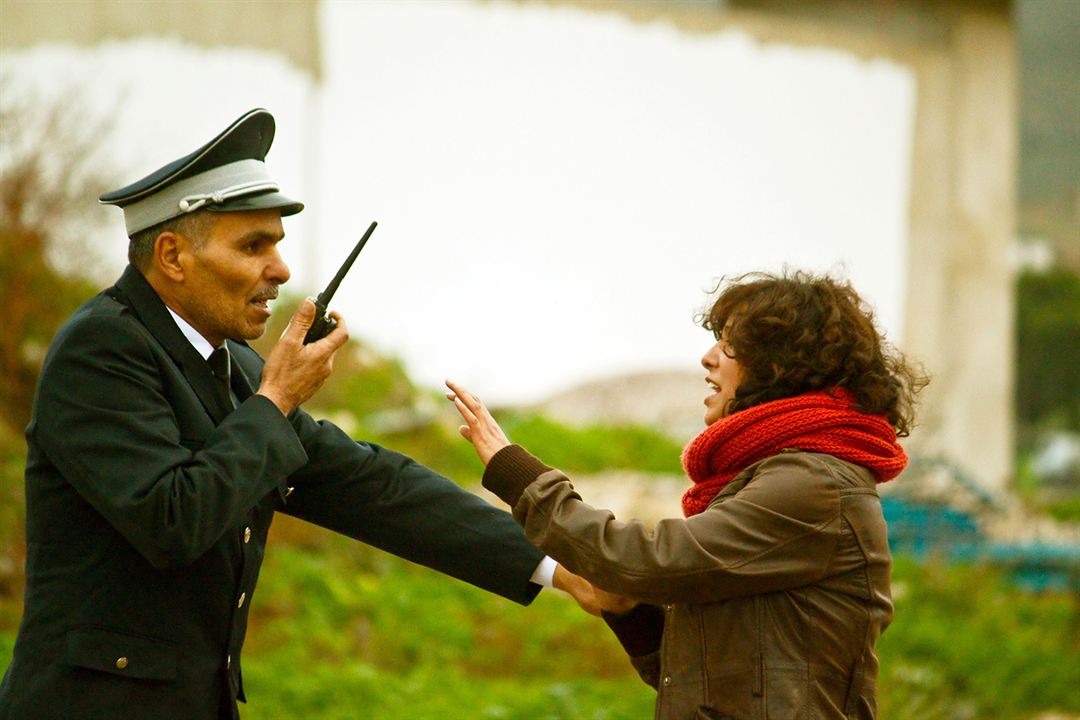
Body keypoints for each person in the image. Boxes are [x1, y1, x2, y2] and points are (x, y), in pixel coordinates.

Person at [0, 108, 598, 720]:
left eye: (278, 246)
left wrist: (558, 564)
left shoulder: (228, 359)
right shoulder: (101, 349)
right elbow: (170, 521)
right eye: (253, 246)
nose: (281, 271)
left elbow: (369, 485)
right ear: (174, 257)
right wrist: (276, 400)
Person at [447, 270, 928, 720]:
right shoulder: (781, 480)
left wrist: (517, 473)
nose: (709, 357)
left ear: (783, 366)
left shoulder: (812, 486)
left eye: (733, 344)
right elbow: (709, 685)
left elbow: (653, 563)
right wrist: (628, 613)